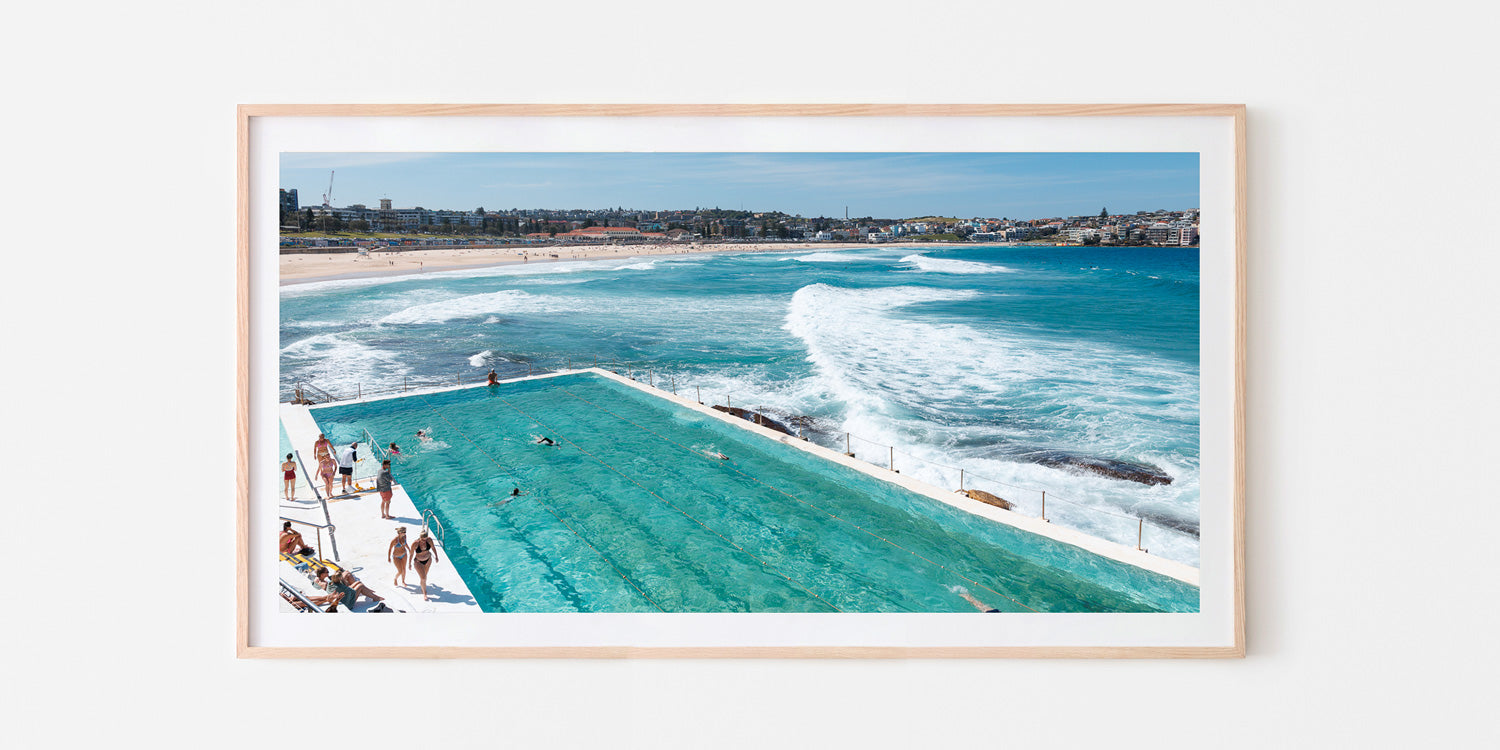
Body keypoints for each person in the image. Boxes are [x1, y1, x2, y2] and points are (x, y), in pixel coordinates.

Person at [410, 529, 439, 601]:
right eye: (423, 539)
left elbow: (433, 547)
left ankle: (423, 585)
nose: (424, 541)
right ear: (420, 538)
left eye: (425, 539)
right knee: (423, 578)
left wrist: (436, 556)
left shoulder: (429, 540)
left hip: (428, 560)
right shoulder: (415, 543)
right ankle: (424, 593)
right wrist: (409, 563)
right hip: (418, 561)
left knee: (424, 576)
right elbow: (411, 554)